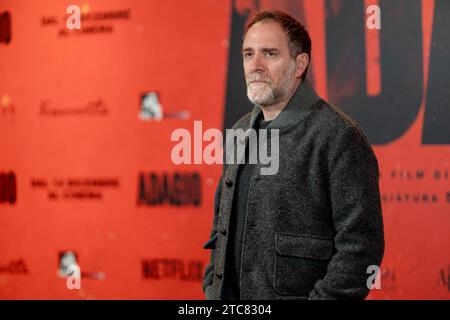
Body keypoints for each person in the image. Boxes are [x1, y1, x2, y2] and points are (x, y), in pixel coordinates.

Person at [202, 10, 384, 300]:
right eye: (248, 54)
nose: (255, 66)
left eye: (270, 54)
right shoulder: (238, 132)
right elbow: (221, 224)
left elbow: (361, 248)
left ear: (299, 64)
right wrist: (213, 287)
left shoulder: (339, 136)